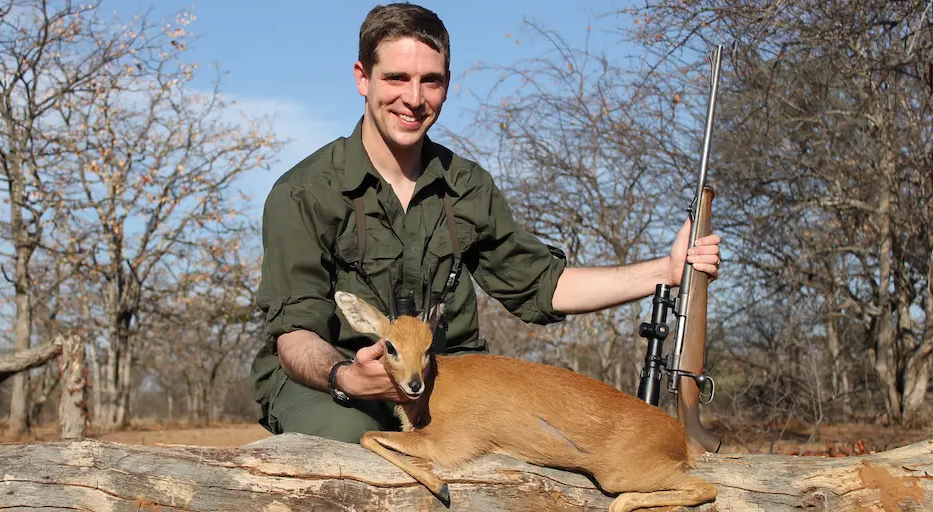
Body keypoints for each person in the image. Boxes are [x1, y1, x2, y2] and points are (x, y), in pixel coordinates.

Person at [249, 3, 722, 444]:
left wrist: (666, 271)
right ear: (362, 78)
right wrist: (346, 375)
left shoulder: (467, 186)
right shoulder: (305, 191)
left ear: (448, 84)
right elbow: (294, 335)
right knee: (355, 442)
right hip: (331, 384)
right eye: (396, 77)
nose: (413, 99)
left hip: (446, 380)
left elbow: (541, 285)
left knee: (556, 443)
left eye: (430, 81)